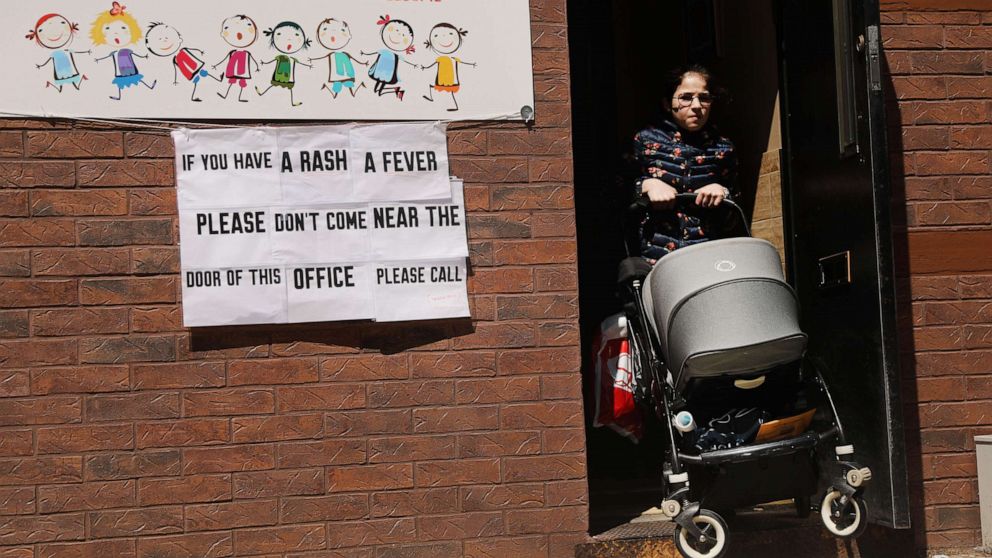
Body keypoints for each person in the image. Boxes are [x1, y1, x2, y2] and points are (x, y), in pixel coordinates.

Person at [632, 64, 737, 264]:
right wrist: (646, 185)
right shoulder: (643, 141)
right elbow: (615, 196)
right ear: (666, 103)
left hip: (708, 256)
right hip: (656, 258)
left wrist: (723, 193)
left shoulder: (723, 147)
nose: (696, 106)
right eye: (686, 97)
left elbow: (735, 216)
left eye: (704, 98)